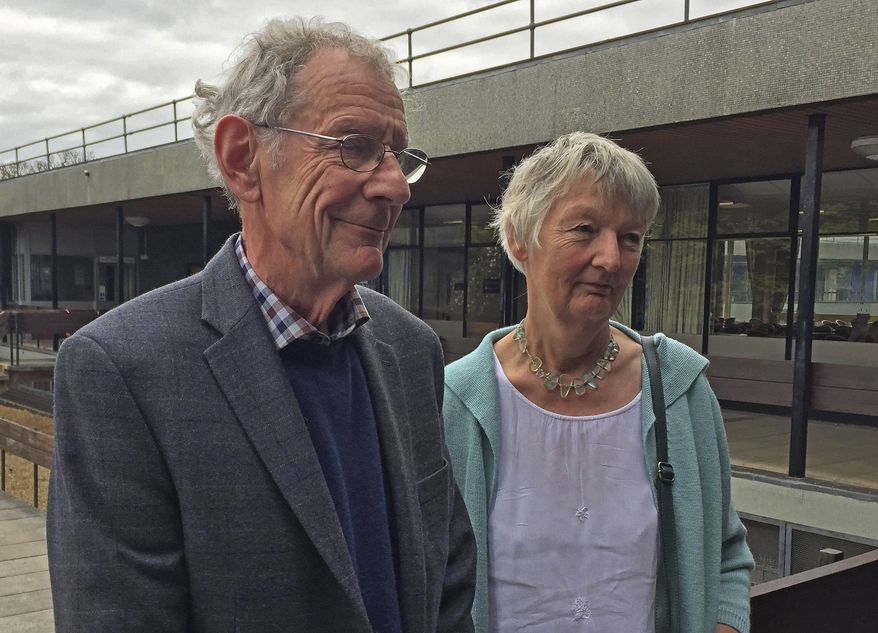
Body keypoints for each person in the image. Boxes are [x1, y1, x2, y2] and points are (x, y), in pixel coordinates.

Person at [47, 18, 476, 633]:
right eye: (353, 145)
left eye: (398, 156)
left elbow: (447, 573)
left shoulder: (411, 349)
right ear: (243, 159)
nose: (392, 187)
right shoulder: (122, 371)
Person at [442, 132, 753, 633]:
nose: (612, 258)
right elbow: (425, 576)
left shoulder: (679, 389)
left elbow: (727, 553)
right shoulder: (455, 402)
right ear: (521, 238)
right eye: (585, 229)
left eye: (630, 237)